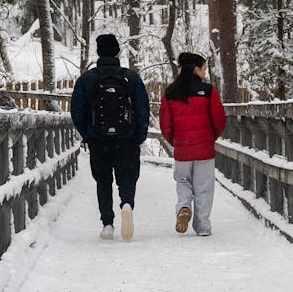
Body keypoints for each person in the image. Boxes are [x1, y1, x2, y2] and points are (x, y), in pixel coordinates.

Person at [70, 33, 150, 240]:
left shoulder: (87, 79)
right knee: (127, 177)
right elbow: (143, 108)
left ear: (98, 52)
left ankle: (107, 223)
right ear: (117, 52)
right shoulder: (131, 78)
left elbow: (77, 111)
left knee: (103, 181)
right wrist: (139, 136)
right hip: (127, 139)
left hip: (99, 139)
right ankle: (126, 204)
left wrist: (87, 134)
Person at [158, 52, 227, 236]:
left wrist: (177, 141)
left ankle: (184, 207)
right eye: (203, 69)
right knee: (204, 186)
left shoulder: (170, 93)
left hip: (182, 148)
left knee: (183, 181)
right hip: (204, 148)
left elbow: (165, 125)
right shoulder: (208, 91)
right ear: (196, 69)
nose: (205, 73)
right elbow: (219, 120)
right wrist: (210, 137)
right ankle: (203, 226)